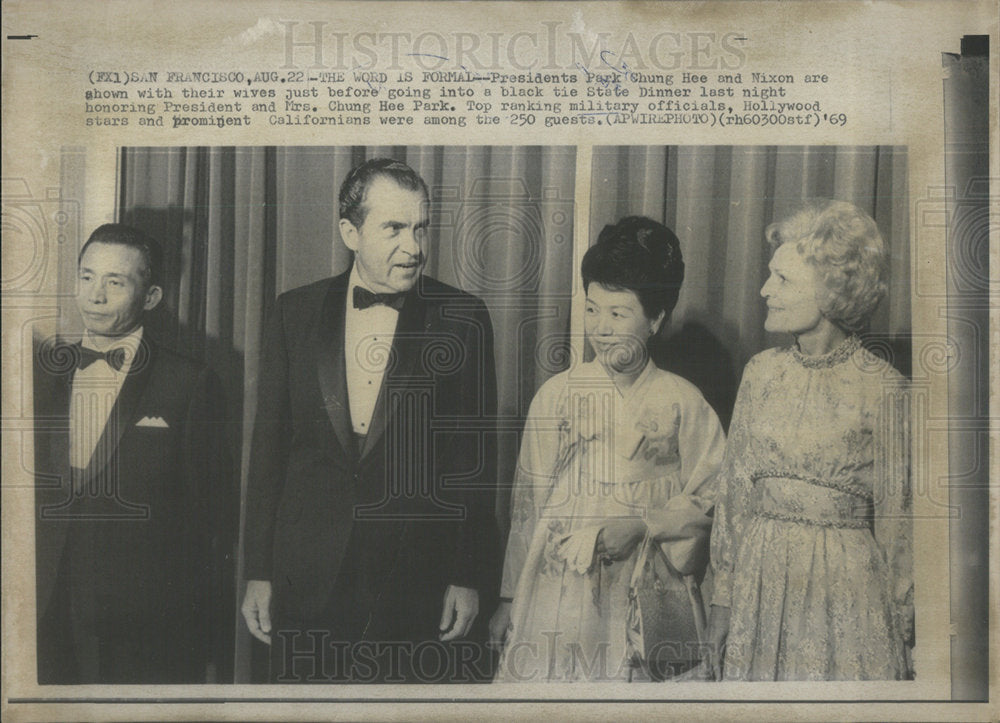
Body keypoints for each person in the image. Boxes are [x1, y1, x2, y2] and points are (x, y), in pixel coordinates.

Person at [240, 158, 499, 683]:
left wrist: (467, 576)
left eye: (420, 228)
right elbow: (268, 451)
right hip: (305, 578)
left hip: (415, 586)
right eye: (394, 228)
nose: (415, 247)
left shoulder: (464, 319)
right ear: (349, 232)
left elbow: (473, 463)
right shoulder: (293, 313)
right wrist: (259, 572)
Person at [490, 217, 726, 682]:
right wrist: (509, 599)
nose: (601, 329)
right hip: (559, 589)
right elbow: (527, 506)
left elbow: (714, 497)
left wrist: (644, 524)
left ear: (656, 319)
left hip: (646, 584)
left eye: (618, 314)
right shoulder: (557, 395)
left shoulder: (683, 401)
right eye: (592, 310)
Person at [706, 199, 913, 681]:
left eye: (782, 280)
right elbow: (733, 498)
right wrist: (722, 599)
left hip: (847, 591)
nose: (763, 290)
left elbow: (901, 522)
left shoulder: (885, 388)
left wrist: (905, 629)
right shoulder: (760, 374)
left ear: (832, 289)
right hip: (760, 581)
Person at [33, 223, 234, 684]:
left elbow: (209, 520)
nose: (94, 296)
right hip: (45, 612)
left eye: (115, 282)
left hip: (142, 628)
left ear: (152, 296)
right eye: (86, 277)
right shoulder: (40, 373)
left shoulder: (190, 382)